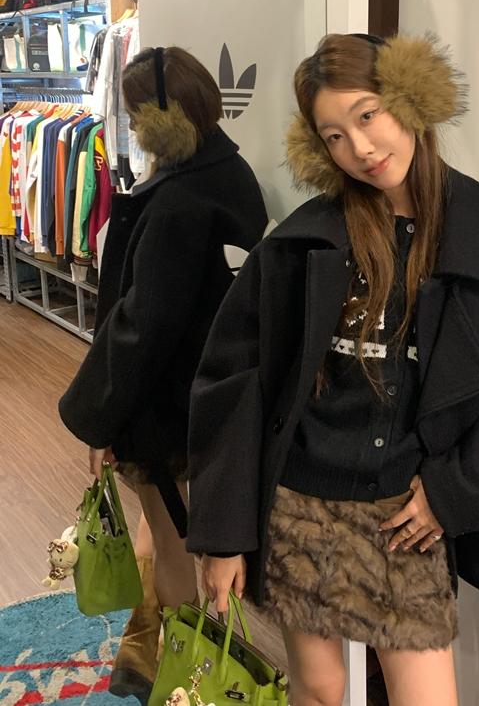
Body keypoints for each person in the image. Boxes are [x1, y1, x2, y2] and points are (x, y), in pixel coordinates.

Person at [187, 33, 479, 706]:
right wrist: (222, 534)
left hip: (405, 518)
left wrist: (453, 493)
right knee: (318, 690)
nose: (361, 147)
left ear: (409, 98)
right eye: (335, 135)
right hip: (301, 505)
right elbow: (234, 381)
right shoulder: (304, 242)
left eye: (368, 114)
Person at [59, 46, 268, 705]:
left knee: (175, 543)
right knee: (170, 526)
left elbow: (142, 326)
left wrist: (97, 415)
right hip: (211, 396)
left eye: (134, 113)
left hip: (164, 403)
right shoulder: (230, 174)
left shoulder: (178, 200)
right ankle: (146, 650)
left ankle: (180, 676)